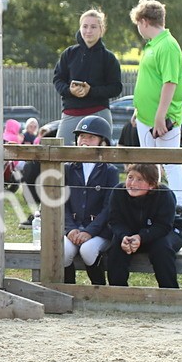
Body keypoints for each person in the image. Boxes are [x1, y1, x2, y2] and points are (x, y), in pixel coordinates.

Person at [130, 0, 182, 215]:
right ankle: (154, 205)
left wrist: (160, 116)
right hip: (147, 117)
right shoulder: (153, 45)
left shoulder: (168, 45)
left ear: (144, 21)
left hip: (163, 118)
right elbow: (152, 81)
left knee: (171, 163)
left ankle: (180, 207)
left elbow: (170, 82)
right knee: (149, 163)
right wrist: (140, 110)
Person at [105, 162, 182, 289]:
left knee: (161, 248)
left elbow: (163, 226)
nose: (133, 183)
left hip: (165, 232)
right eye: (130, 177)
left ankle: (169, 292)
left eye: (139, 179)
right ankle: (118, 292)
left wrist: (141, 237)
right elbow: (115, 221)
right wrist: (124, 236)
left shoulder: (165, 194)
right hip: (131, 233)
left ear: (152, 185)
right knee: (116, 246)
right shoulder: (118, 192)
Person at [62, 115, 119, 285]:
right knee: (63, 251)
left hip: (100, 230)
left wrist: (90, 231)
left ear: (103, 142)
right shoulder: (67, 168)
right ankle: (68, 289)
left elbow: (109, 207)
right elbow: (62, 202)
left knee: (87, 250)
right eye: (81, 137)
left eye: (91, 137)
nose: (84, 141)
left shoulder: (110, 171)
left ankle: (98, 288)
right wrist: (70, 229)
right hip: (73, 227)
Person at [53, 9, 123, 145]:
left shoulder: (108, 58)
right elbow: (58, 79)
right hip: (70, 112)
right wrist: (69, 90)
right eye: (85, 26)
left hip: (99, 113)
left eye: (93, 27)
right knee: (60, 155)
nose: (88, 31)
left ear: (101, 29)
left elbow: (116, 87)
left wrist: (91, 91)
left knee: (101, 159)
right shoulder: (69, 54)